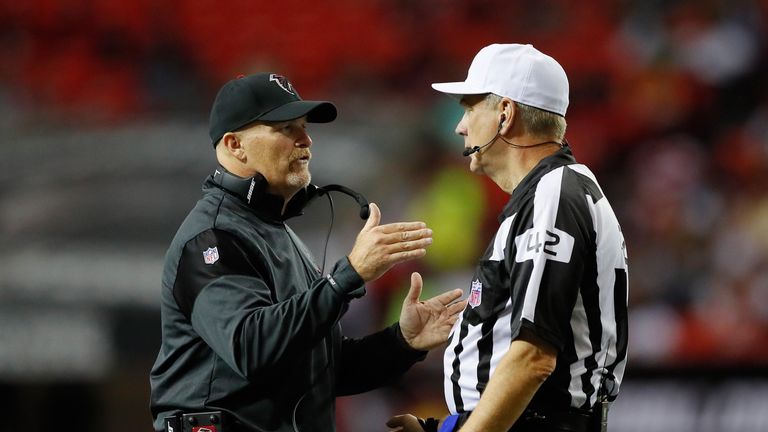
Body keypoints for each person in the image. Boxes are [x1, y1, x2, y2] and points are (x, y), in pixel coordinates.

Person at [149, 72, 467, 432]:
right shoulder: (212, 238)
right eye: (286, 128)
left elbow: (319, 369)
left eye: (303, 126)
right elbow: (252, 348)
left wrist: (402, 342)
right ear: (235, 145)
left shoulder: (276, 234)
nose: (306, 139)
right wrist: (347, 275)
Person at [387, 44, 629, 432]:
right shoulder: (554, 191)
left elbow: (533, 356)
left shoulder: (553, 194)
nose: (459, 126)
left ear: (505, 114)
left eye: (469, 108)